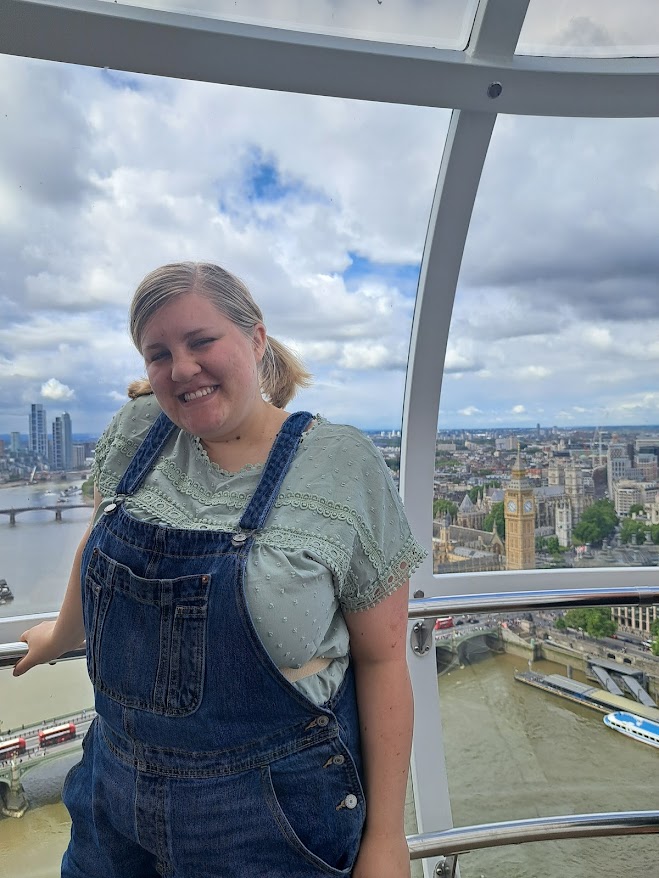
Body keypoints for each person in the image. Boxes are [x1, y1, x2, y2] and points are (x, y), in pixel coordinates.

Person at [14, 262, 426, 878]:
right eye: (159, 353)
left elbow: (383, 659)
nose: (181, 368)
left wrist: (386, 839)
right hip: (112, 802)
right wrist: (61, 634)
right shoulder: (137, 430)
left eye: (201, 341)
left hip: (269, 820)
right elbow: (94, 546)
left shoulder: (342, 465)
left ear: (255, 339)